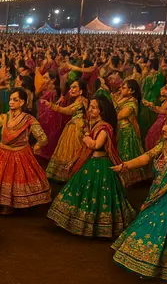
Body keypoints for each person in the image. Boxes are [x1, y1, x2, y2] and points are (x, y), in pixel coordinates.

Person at [110, 112, 167, 283]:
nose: (163, 127)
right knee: (149, 227)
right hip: (160, 195)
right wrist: (125, 166)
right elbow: (146, 158)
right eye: (165, 123)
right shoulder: (162, 146)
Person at [47, 94, 135, 238]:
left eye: (94, 108)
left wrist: (86, 137)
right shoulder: (93, 124)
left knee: (97, 196)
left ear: (101, 111)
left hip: (101, 165)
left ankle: (95, 227)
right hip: (91, 162)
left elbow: (96, 145)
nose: (90, 110)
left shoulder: (104, 128)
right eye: (90, 107)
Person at [0, 88, 51, 214]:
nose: (11, 102)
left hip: (21, 154)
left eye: (15, 100)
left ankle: (15, 205)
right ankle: (5, 204)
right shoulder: (5, 117)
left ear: (22, 103)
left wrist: (34, 148)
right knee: (2, 180)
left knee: (17, 180)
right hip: (3, 152)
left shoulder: (29, 120)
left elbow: (43, 139)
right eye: (10, 99)